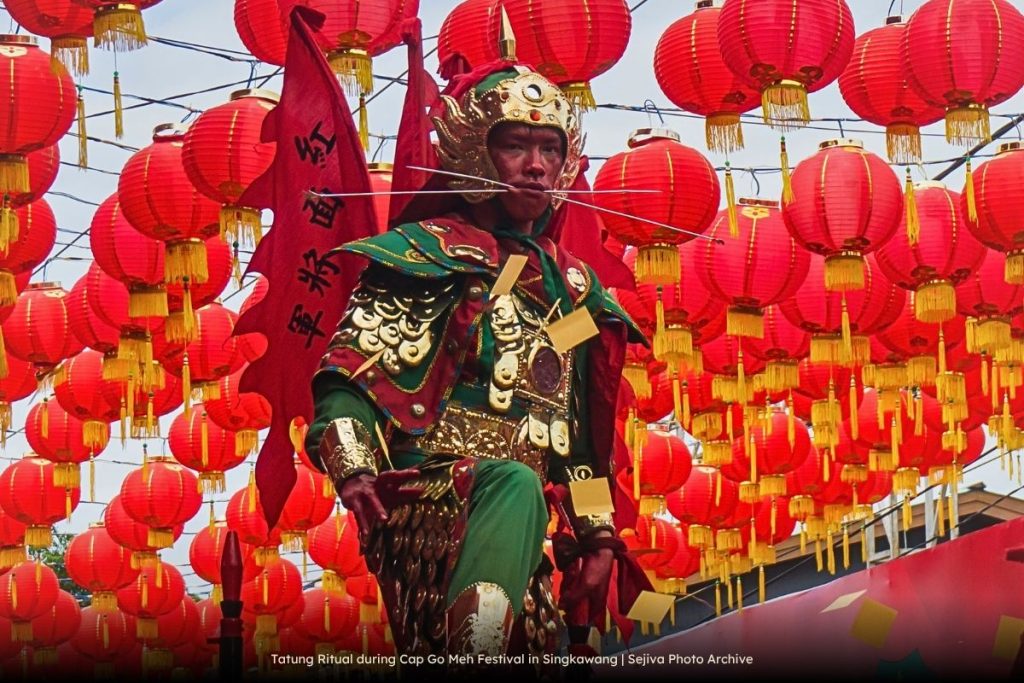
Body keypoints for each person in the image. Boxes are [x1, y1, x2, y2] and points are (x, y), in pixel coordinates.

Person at [305, 55, 647, 660]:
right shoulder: (428, 254)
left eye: (551, 149)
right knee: (510, 493)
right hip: (430, 492)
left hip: (520, 524)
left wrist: (596, 533)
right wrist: (355, 467)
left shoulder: (568, 290)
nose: (536, 167)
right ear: (473, 154)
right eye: (516, 146)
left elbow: (579, 434)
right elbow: (349, 377)